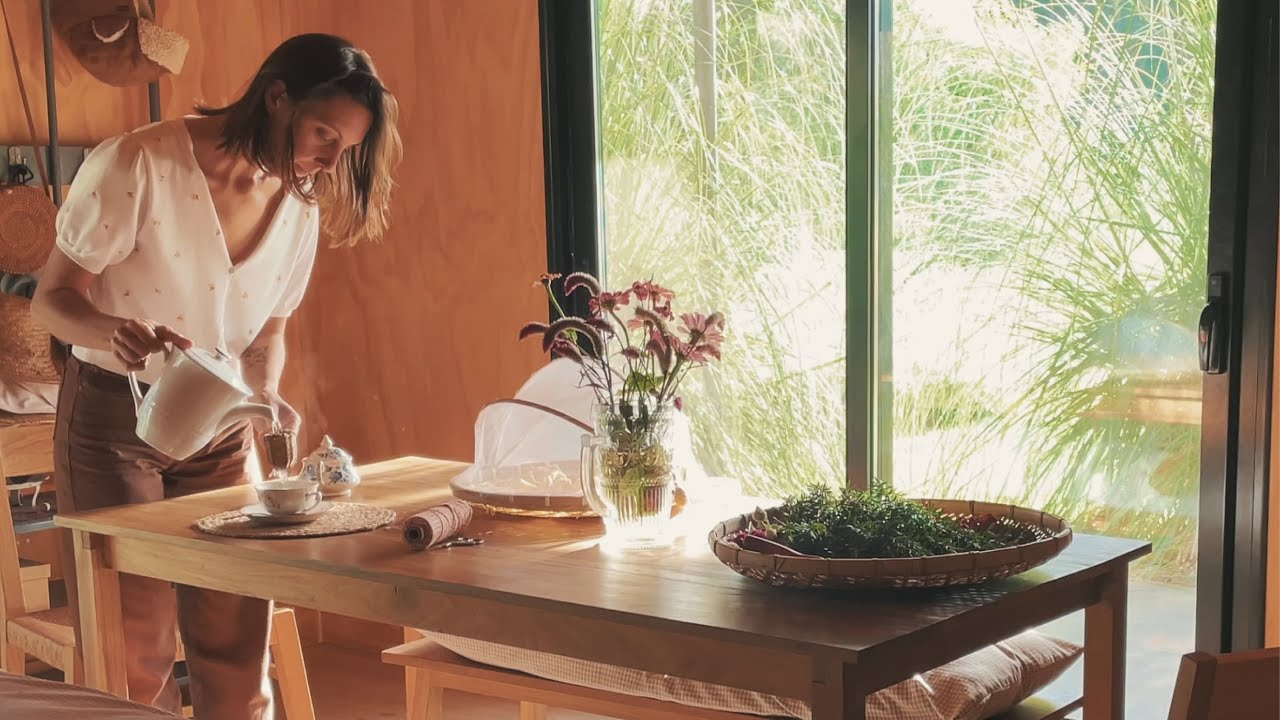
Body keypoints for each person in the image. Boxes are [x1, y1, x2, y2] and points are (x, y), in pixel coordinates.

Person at [31, 33, 401, 719]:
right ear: (277, 96)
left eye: (344, 149)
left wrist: (264, 397)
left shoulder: (299, 204)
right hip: (115, 418)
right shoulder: (138, 164)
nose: (327, 159)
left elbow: (268, 333)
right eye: (324, 134)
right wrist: (111, 331)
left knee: (236, 637)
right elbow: (51, 299)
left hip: (224, 425)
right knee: (134, 647)